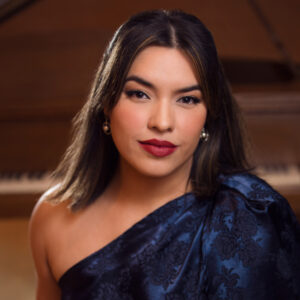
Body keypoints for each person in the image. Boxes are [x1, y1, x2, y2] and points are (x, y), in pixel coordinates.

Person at [29, 9, 300, 300]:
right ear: (106, 102)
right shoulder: (52, 218)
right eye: (140, 94)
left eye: (187, 99)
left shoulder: (249, 215)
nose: (162, 122)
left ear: (208, 115)